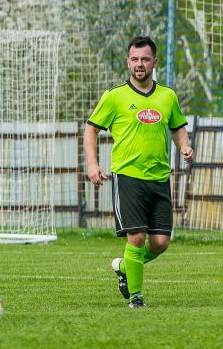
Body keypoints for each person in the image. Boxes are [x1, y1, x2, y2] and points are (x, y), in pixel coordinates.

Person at [83, 36, 194, 308]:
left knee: (160, 243)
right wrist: (93, 164)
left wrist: (184, 145)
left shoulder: (167, 96)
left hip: (159, 178)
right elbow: (91, 129)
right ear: (127, 62)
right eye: (135, 59)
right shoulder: (114, 96)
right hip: (127, 177)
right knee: (137, 237)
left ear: (155, 62)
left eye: (145, 59)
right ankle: (136, 297)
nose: (140, 64)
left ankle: (124, 265)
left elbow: (178, 126)